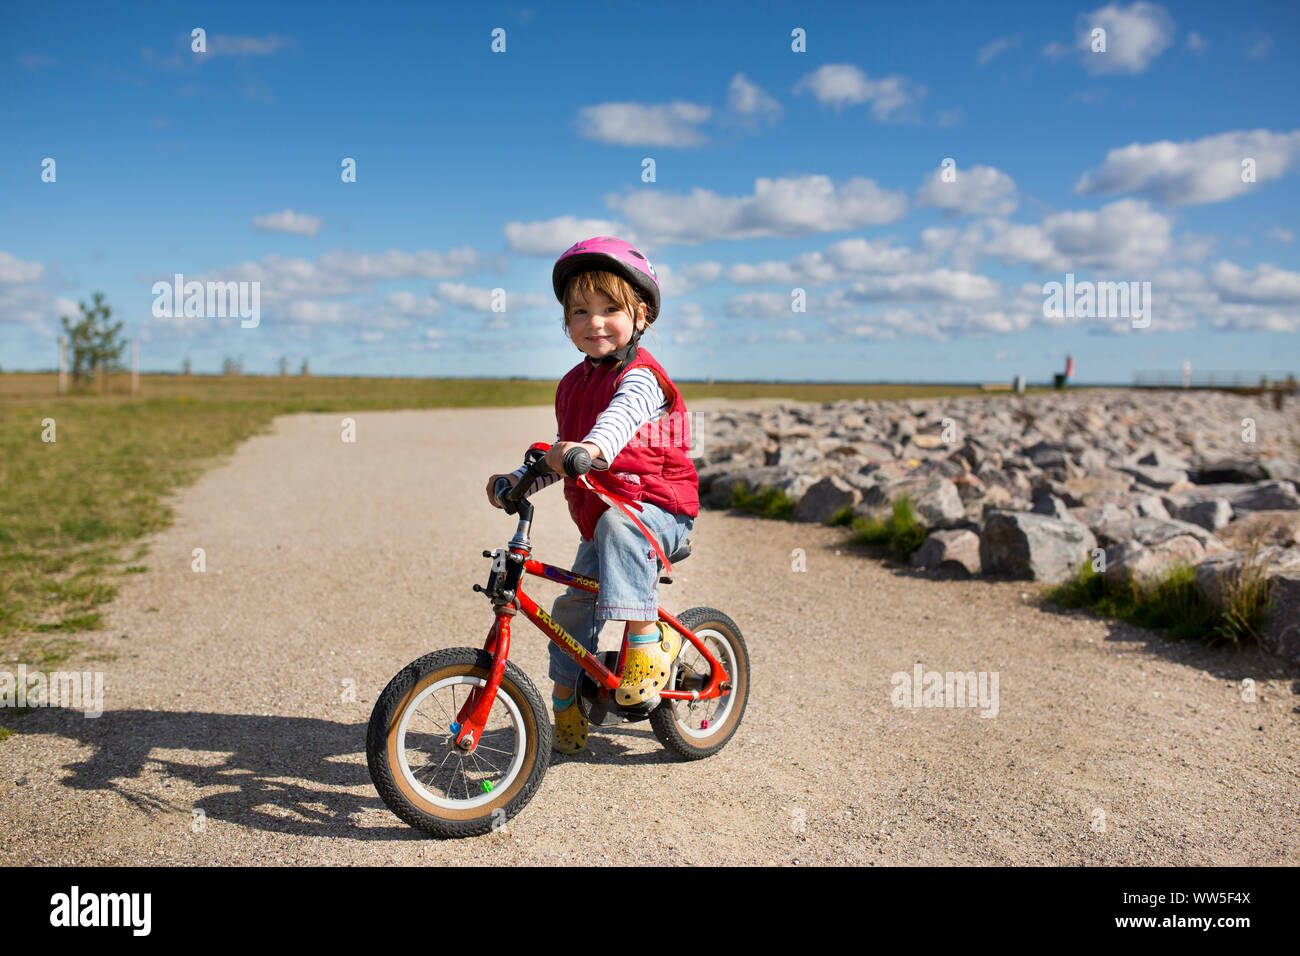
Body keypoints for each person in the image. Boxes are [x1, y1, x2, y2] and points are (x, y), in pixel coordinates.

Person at [484, 237, 699, 754]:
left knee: (617, 525)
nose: (594, 321)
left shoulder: (641, 378)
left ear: (641, 314)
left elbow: (614, 426)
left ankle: (646, 645)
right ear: (565, 323)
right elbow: (557, 455)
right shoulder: (572, 385)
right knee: (572, 609)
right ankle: (566, 703)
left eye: (610, 309)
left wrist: (591, 449)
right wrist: (518, 482)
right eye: (579, 311)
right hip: (605, 520)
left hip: (658, 511)